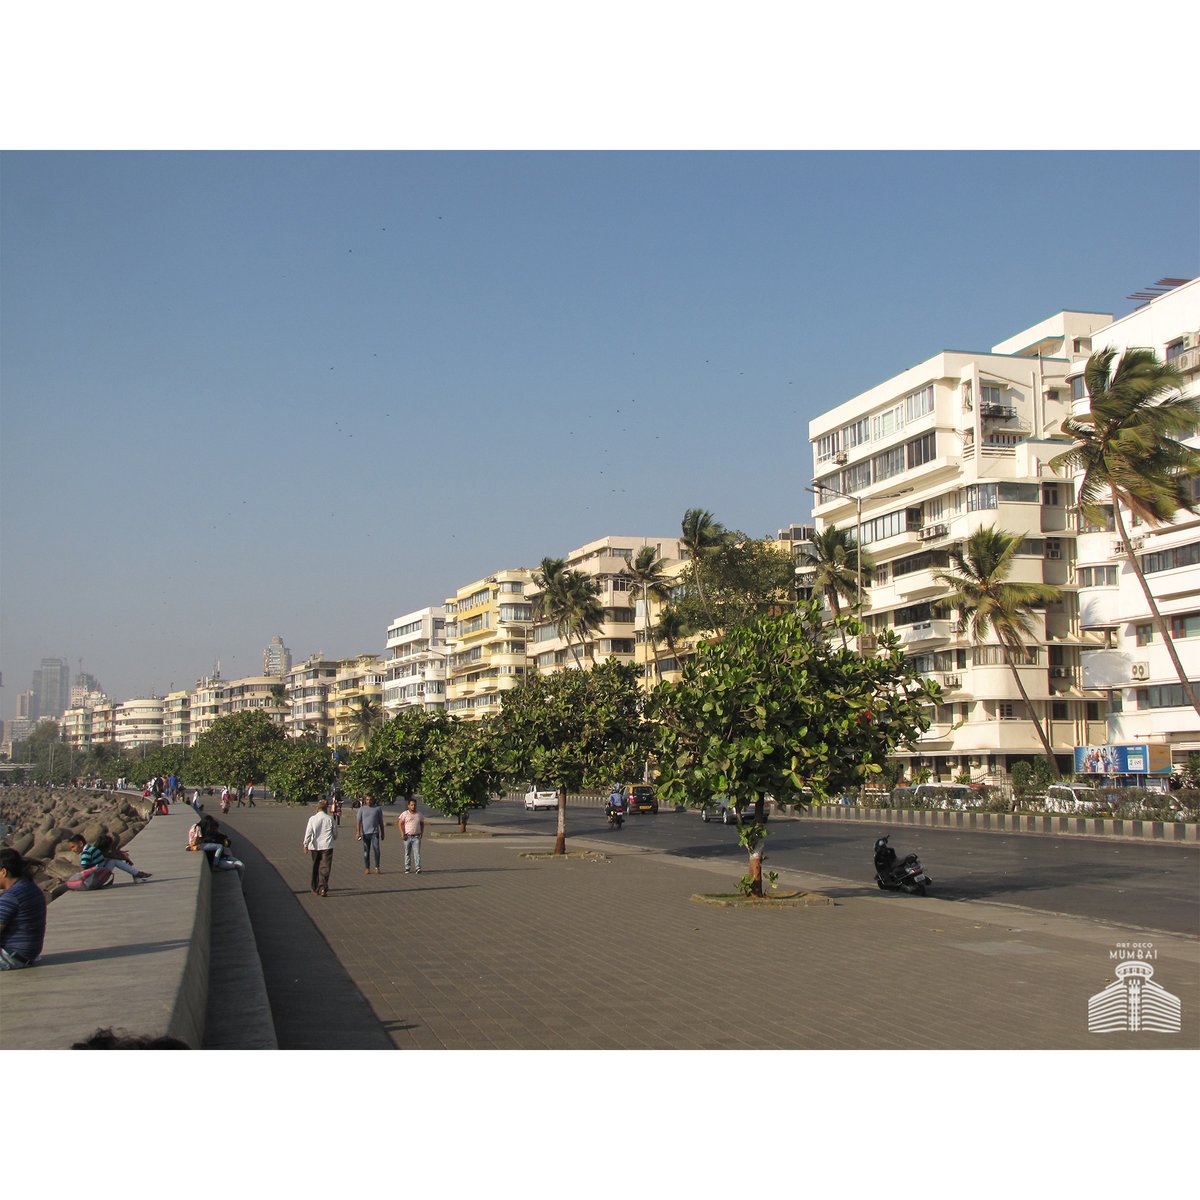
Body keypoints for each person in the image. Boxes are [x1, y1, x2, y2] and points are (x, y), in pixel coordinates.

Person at [0, 848, 47, 971]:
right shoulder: (29, 887)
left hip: (12, 956)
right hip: (28, 953)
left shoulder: (11, 896)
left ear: (3, 872)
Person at [67, 833, 151, 882]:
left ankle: (137, 874)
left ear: (81, 844)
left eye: (73, 847)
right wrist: (123, 857)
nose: (72, 850)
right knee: (113, 861)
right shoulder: (90, 849)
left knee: (113, 860)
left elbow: (83, 870)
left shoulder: (86, 853)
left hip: (95, 879)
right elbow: (108, 855)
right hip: (96, 877)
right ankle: (137, 874)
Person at [303, 797, 337, 897]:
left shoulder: (312, 819)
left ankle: (314, 887)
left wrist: (305, 844)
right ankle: (322, 887)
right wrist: (333, 838)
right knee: (325, 867)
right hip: (327, 846)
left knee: (315, 866)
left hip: (314, 846)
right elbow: (335, 833)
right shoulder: (330, 819)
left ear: (317, 809)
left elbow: (308, 833)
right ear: (325, 809)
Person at [355, 793, 385, 874]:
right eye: (367, 800)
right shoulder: (361, 809)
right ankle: (367, 868)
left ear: (373, 800)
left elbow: (381, 822)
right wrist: (358, 832)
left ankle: (377, 867)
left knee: (377, 850)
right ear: (365, 800)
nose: (369, 801)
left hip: (374, 833)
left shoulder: (377, 809)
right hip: (365, 833)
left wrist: (382, 833)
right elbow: (358, 822)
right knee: (366, 851)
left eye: (370, 799)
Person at [398, 798, 425, 874]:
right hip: (407, 836)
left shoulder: (419, 814)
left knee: (417, 853)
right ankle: (407, 867)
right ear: (408, 806)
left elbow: (422, 823)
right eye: (412, 805)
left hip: (416, 837)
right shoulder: (405, 814)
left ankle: (418, 867)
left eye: (414, 805)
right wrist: (402, 833)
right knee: (407, 852)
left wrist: (421, 832)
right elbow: (400, 823)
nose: (413, 806)